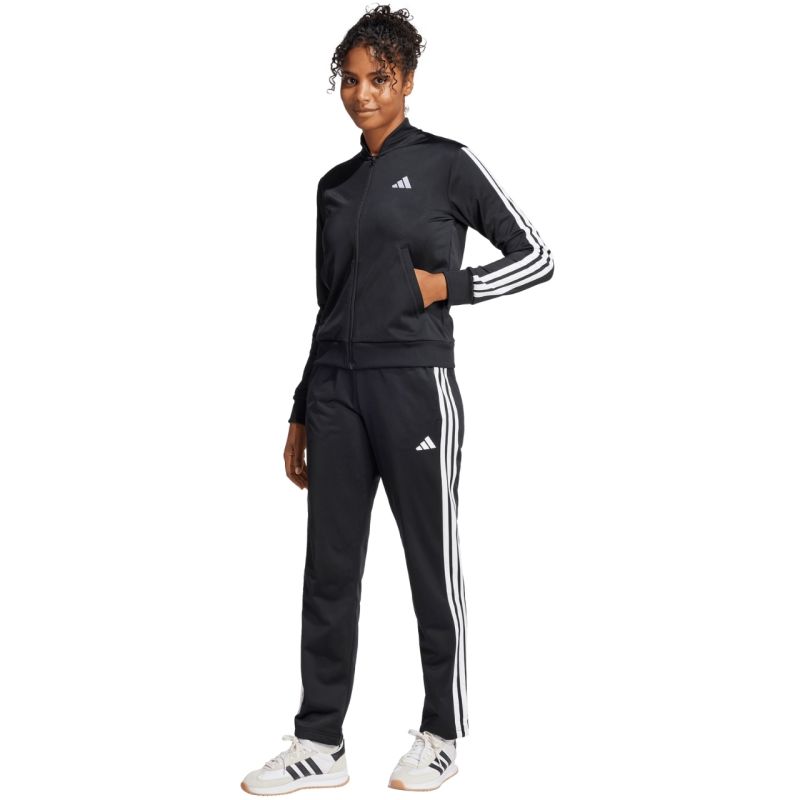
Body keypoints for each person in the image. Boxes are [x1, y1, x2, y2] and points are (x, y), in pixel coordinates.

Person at [241, 4, 554, 795]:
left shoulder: (448, 163)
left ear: (408, 80)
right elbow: (329, 305)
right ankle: (320, 742)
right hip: (336, 392)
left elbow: (537, 256)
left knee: (429, 564)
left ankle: (442, 733)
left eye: (379, 78)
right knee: (329, 570)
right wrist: (301, 409)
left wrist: (450, 287)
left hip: (415, 386)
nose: (363, 94)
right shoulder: (335, 186)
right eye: (350, 80)